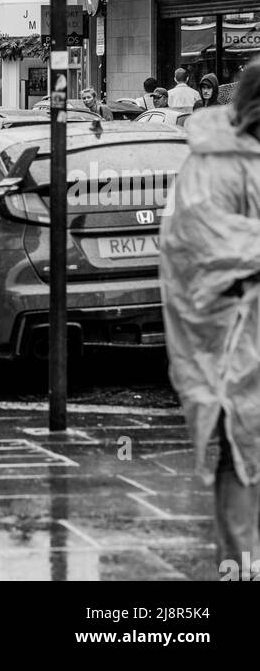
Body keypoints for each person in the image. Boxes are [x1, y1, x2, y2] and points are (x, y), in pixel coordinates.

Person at [159, 61, 260, 577]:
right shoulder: (214, 164)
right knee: (242, 451)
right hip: (232, 340)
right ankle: (241, 568)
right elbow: (198, 242)